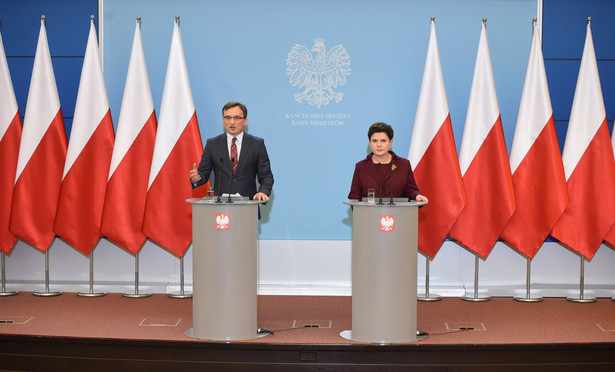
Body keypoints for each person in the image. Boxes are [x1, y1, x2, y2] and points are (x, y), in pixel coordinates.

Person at [190, 101, 273, 201]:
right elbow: (203, 173)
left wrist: (263, 192)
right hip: (220, 207)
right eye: (228, 118)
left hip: (248, 207)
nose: (232, 122)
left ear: (245, 121)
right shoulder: (213, 144)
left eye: (237, 118)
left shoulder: (256, 144)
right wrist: (197, 178)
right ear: (223, 120)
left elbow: (266, 176)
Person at [348, 122, 428, 203]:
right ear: (370, 143)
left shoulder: (404, 165)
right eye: (375, 141)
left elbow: (411, 190)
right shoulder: (361, 167)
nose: (379, 145)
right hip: (369, 214)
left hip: (399, 214)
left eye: (383, 141)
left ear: (390, 143)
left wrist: (417, 195)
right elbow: (354, 196)